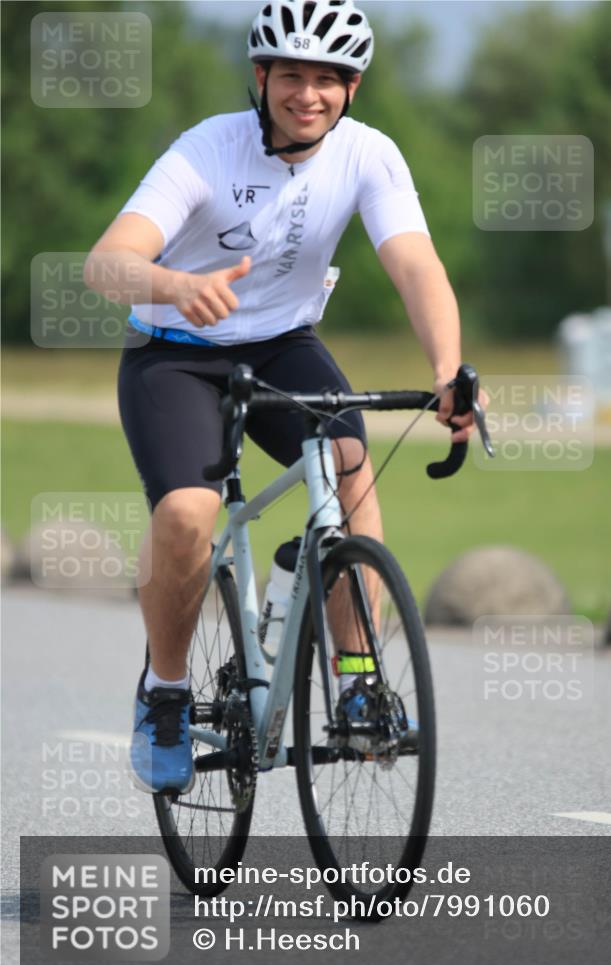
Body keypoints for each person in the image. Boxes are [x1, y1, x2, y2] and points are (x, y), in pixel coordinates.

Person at [85, 0, 477, 794]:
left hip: (282, 345)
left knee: (349, 464)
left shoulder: (369, 155)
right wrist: (171, 283)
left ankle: (360, 678)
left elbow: (414, 265)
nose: (310, 94)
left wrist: (448, 368)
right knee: (190, 514)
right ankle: (164, 693)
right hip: (175, 351)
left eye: (328, 79)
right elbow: (106, 262)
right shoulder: (206, 148)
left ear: (352, 88)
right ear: (260, 78)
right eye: (291, 75)